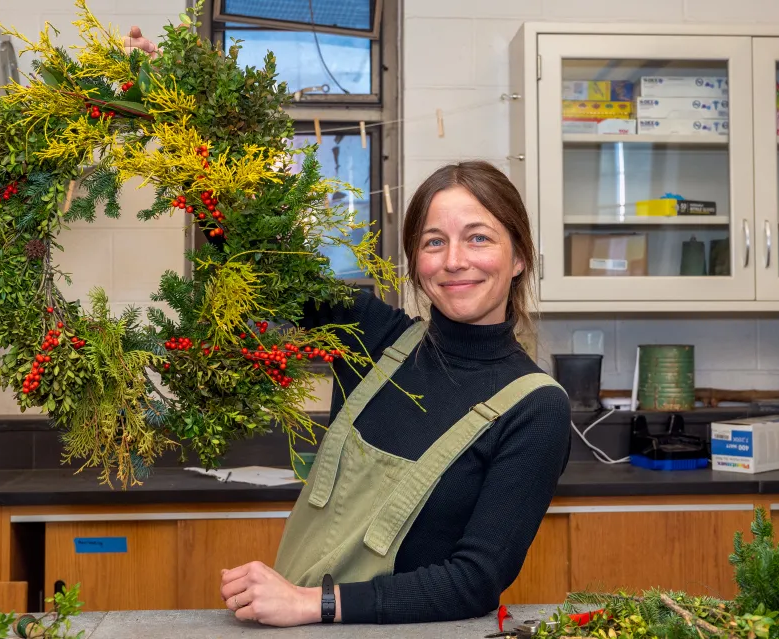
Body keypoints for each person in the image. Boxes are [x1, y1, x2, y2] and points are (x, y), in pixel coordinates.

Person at [125, 29, 572, 628]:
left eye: (479, 238)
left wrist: (313, 603)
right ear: (415, 262)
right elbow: (262, 256)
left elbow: (475, 581)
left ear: (520, 257)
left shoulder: (535, 409)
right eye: (434, 242)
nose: (455, 260)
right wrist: (177, 100)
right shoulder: (374, 337)